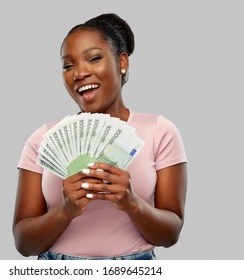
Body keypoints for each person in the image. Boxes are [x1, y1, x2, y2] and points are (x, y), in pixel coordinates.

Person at [12, 13, 187, 260]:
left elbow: (171, 234)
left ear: (122, 62)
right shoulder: (43, 139)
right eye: (68, 65)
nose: (79, 73)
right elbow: (24, 243)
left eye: (94, 58)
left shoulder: (160, 131)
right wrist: (65, 210)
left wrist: (132, 203)